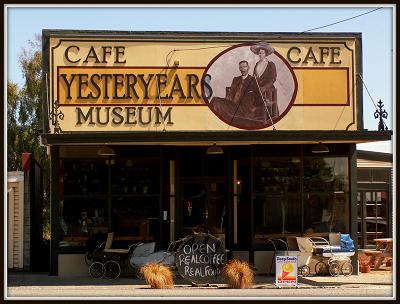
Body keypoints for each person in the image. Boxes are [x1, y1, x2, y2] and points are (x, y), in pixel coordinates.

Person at [210, 60, 266, 128]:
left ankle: (214, 124)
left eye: (244, 67)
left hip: (244, 108)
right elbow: (230, 94)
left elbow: (258, 96)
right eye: (241, 67)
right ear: (239, 69)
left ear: (248, 67)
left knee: (216, 103)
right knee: (215, 100)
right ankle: (214, 124)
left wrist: (254, 107)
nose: (243, 69)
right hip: (232, 104)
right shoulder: (236, 79)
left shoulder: (253, 80)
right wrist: (226, 99)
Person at [250, 42, 278, 120]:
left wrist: (265, 87)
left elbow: (273, 78)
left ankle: (268, 115)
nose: (260, 55)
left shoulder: (270, 64)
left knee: (264, 96)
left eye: (262, 53)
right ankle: (256, 115)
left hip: (268, 88)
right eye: (259, 53)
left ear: (265, 54)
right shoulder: (257, 64)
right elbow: (254, 76)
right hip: (257, 87)